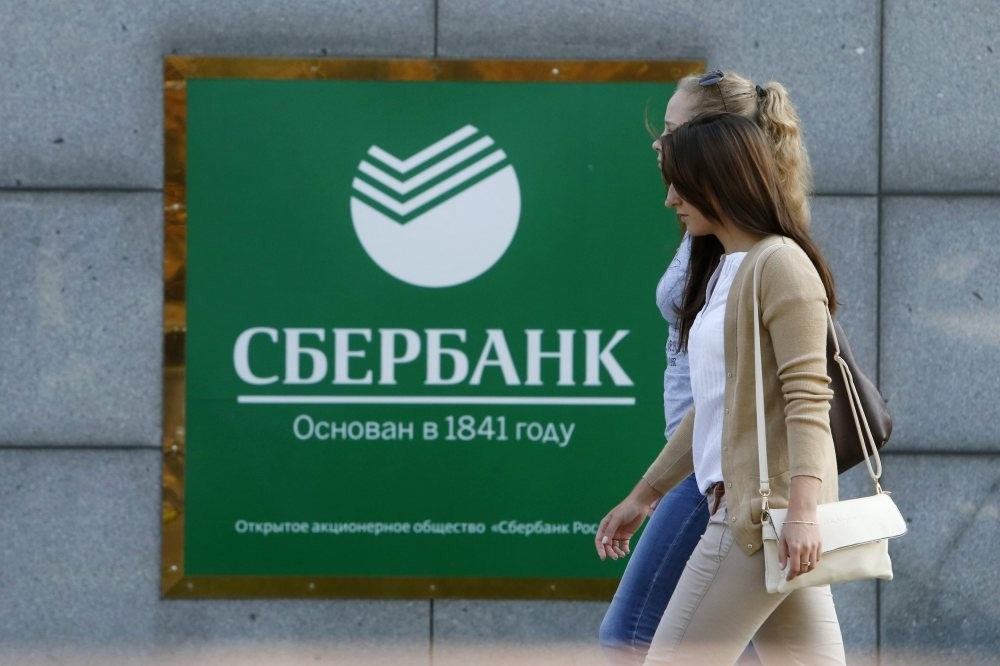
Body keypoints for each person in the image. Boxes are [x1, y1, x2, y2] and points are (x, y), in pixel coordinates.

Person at [601, 112, 846, 664]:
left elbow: (809, 399)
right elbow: (719, 406)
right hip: (763, 516)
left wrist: (803, 516)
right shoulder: (730, 270)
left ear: (719, 181)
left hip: (760, 518)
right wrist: (645, 495)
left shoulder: (780, 264)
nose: (669, 200)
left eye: (680, 183)